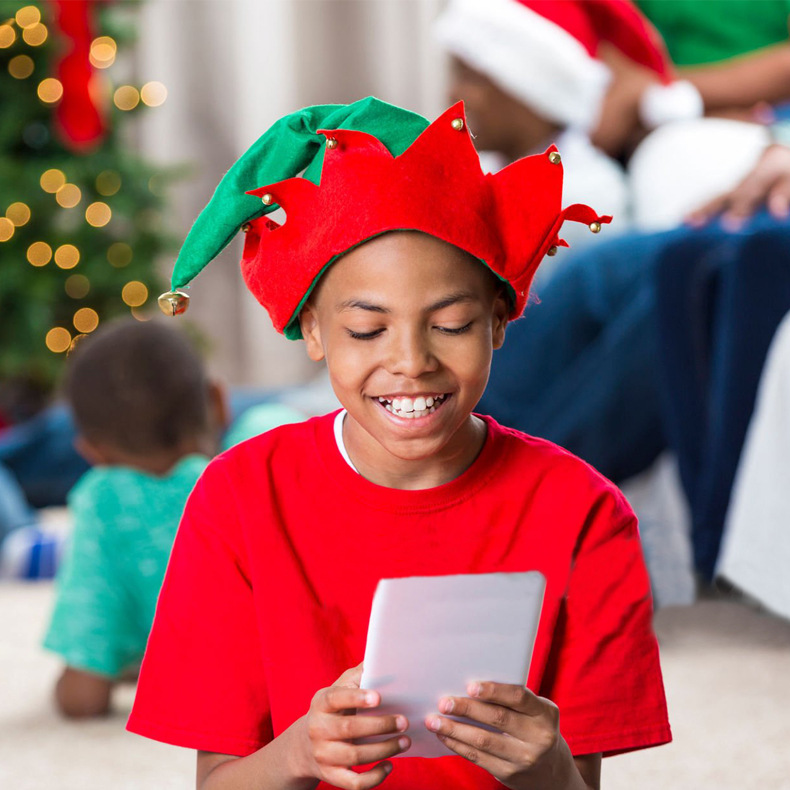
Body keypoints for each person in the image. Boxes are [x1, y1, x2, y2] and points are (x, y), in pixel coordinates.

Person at [126, 98, 670, 790]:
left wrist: (548, 768)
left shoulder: (586, 512)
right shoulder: (237, 497)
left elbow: (578, 786)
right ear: (312, 329)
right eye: (366, 330)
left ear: (498, 321)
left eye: (452, 324)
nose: (411, 362)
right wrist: (298, 755)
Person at [42, 320, 301, 718]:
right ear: (219, 401)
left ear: (92, 451)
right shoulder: (270, 448)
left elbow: (83, 694)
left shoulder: (105, 503)